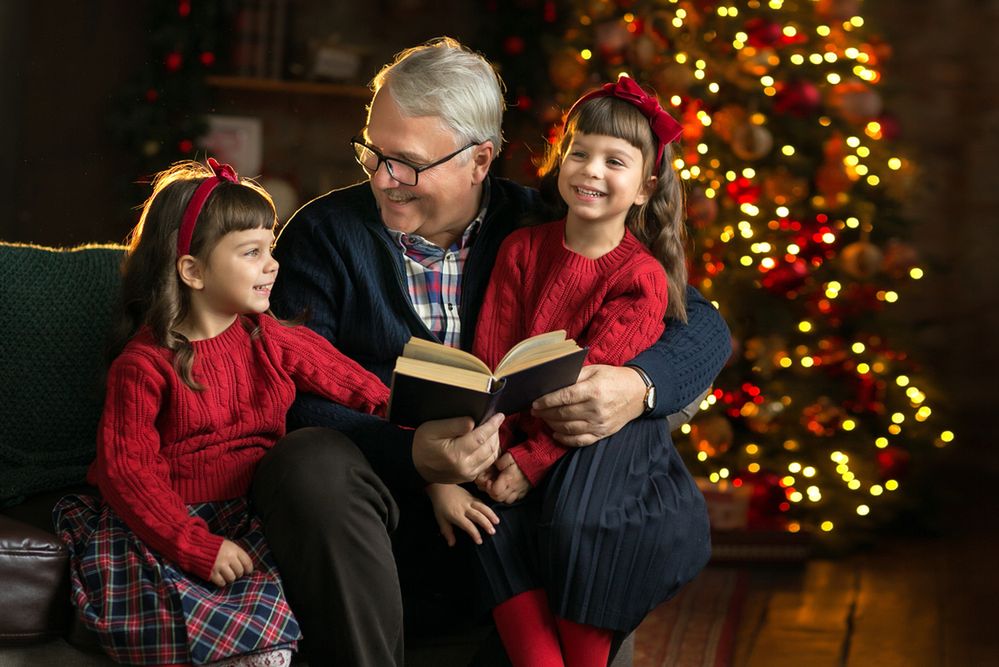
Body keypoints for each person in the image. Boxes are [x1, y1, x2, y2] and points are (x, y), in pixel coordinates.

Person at [261, 38, 731, 667]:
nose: (383, 179)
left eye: (408, 163)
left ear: (480, 160)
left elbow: (699, 323)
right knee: (305, 460)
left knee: (614, 442)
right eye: (372, 153)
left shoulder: (545, 224)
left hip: (518, 510)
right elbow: (282, 389)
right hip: (383, 518)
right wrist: (414, 453)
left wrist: (634, 386)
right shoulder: (325, 236)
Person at [52, 159, 391, 667]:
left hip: (249, 517)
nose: (273, 264)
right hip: (171, 527)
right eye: (252, 252)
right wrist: (195, 545)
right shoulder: (145, 364)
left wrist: (417, 411)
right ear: (192, 270)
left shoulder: (265, 334)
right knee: (216, 634)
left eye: (270, 248)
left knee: (285, 622)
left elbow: (355, 384)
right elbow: (129, 473)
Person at [420, 75, 698, 667]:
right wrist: (489, 450)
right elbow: (493, 363)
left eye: (614, 161)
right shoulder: (523, 250)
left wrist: (528, 462)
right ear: (559, 158)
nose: (591, 170)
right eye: (580, 152)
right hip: (509, 442)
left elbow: (586, 399)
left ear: (646, 187)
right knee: (486, 528)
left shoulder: (639, 278)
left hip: (582, 455)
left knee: (580, 531)